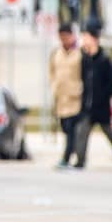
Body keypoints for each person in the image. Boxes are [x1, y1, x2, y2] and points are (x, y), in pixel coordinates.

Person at [68, 24, 112, 169]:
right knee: (82, 132)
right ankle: (80, 160)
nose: (84, 40)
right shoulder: (84, 59)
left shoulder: (104, 60)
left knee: (110, 133)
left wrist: (108, 97)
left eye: (86, 37)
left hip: (101, 104)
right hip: (87, 104)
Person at [48, 23, 85, 171]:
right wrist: (54, 86)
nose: (63, 40)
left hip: (75, 97)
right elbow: (51, 72)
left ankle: (67, 157)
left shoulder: (80, 53)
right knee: (65, 127)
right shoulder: (56, 53)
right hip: (61, 97)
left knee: (71, 130)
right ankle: (74, 152)